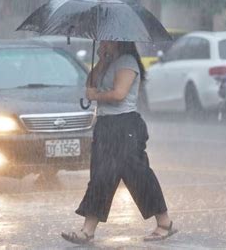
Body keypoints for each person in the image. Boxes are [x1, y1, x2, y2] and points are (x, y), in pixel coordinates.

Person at [61, 40, 177, 244]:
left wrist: (96, 94)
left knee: (138, 175)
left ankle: (164, 222)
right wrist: (101, 60)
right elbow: (91, 82)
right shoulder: (108, 61)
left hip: (126, 126)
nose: (104, 42)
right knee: (101, 176)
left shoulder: (128, 61)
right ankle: (87, 230)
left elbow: (119, 94)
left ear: (118, 40)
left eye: (108, 39)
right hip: (106, 125)